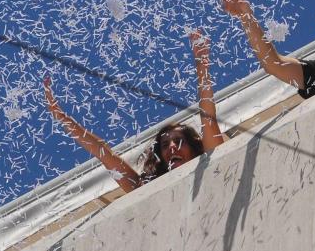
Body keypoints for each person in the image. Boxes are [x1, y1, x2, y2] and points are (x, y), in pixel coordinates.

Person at [43, 30, 224, 192]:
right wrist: (60, 116)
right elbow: (103, 153)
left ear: (194, 146)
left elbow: (208, 118)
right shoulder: (145, 189)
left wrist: (202, 64)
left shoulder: (212, 157)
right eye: (164, 145)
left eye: (178, 141)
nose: (171, 147)